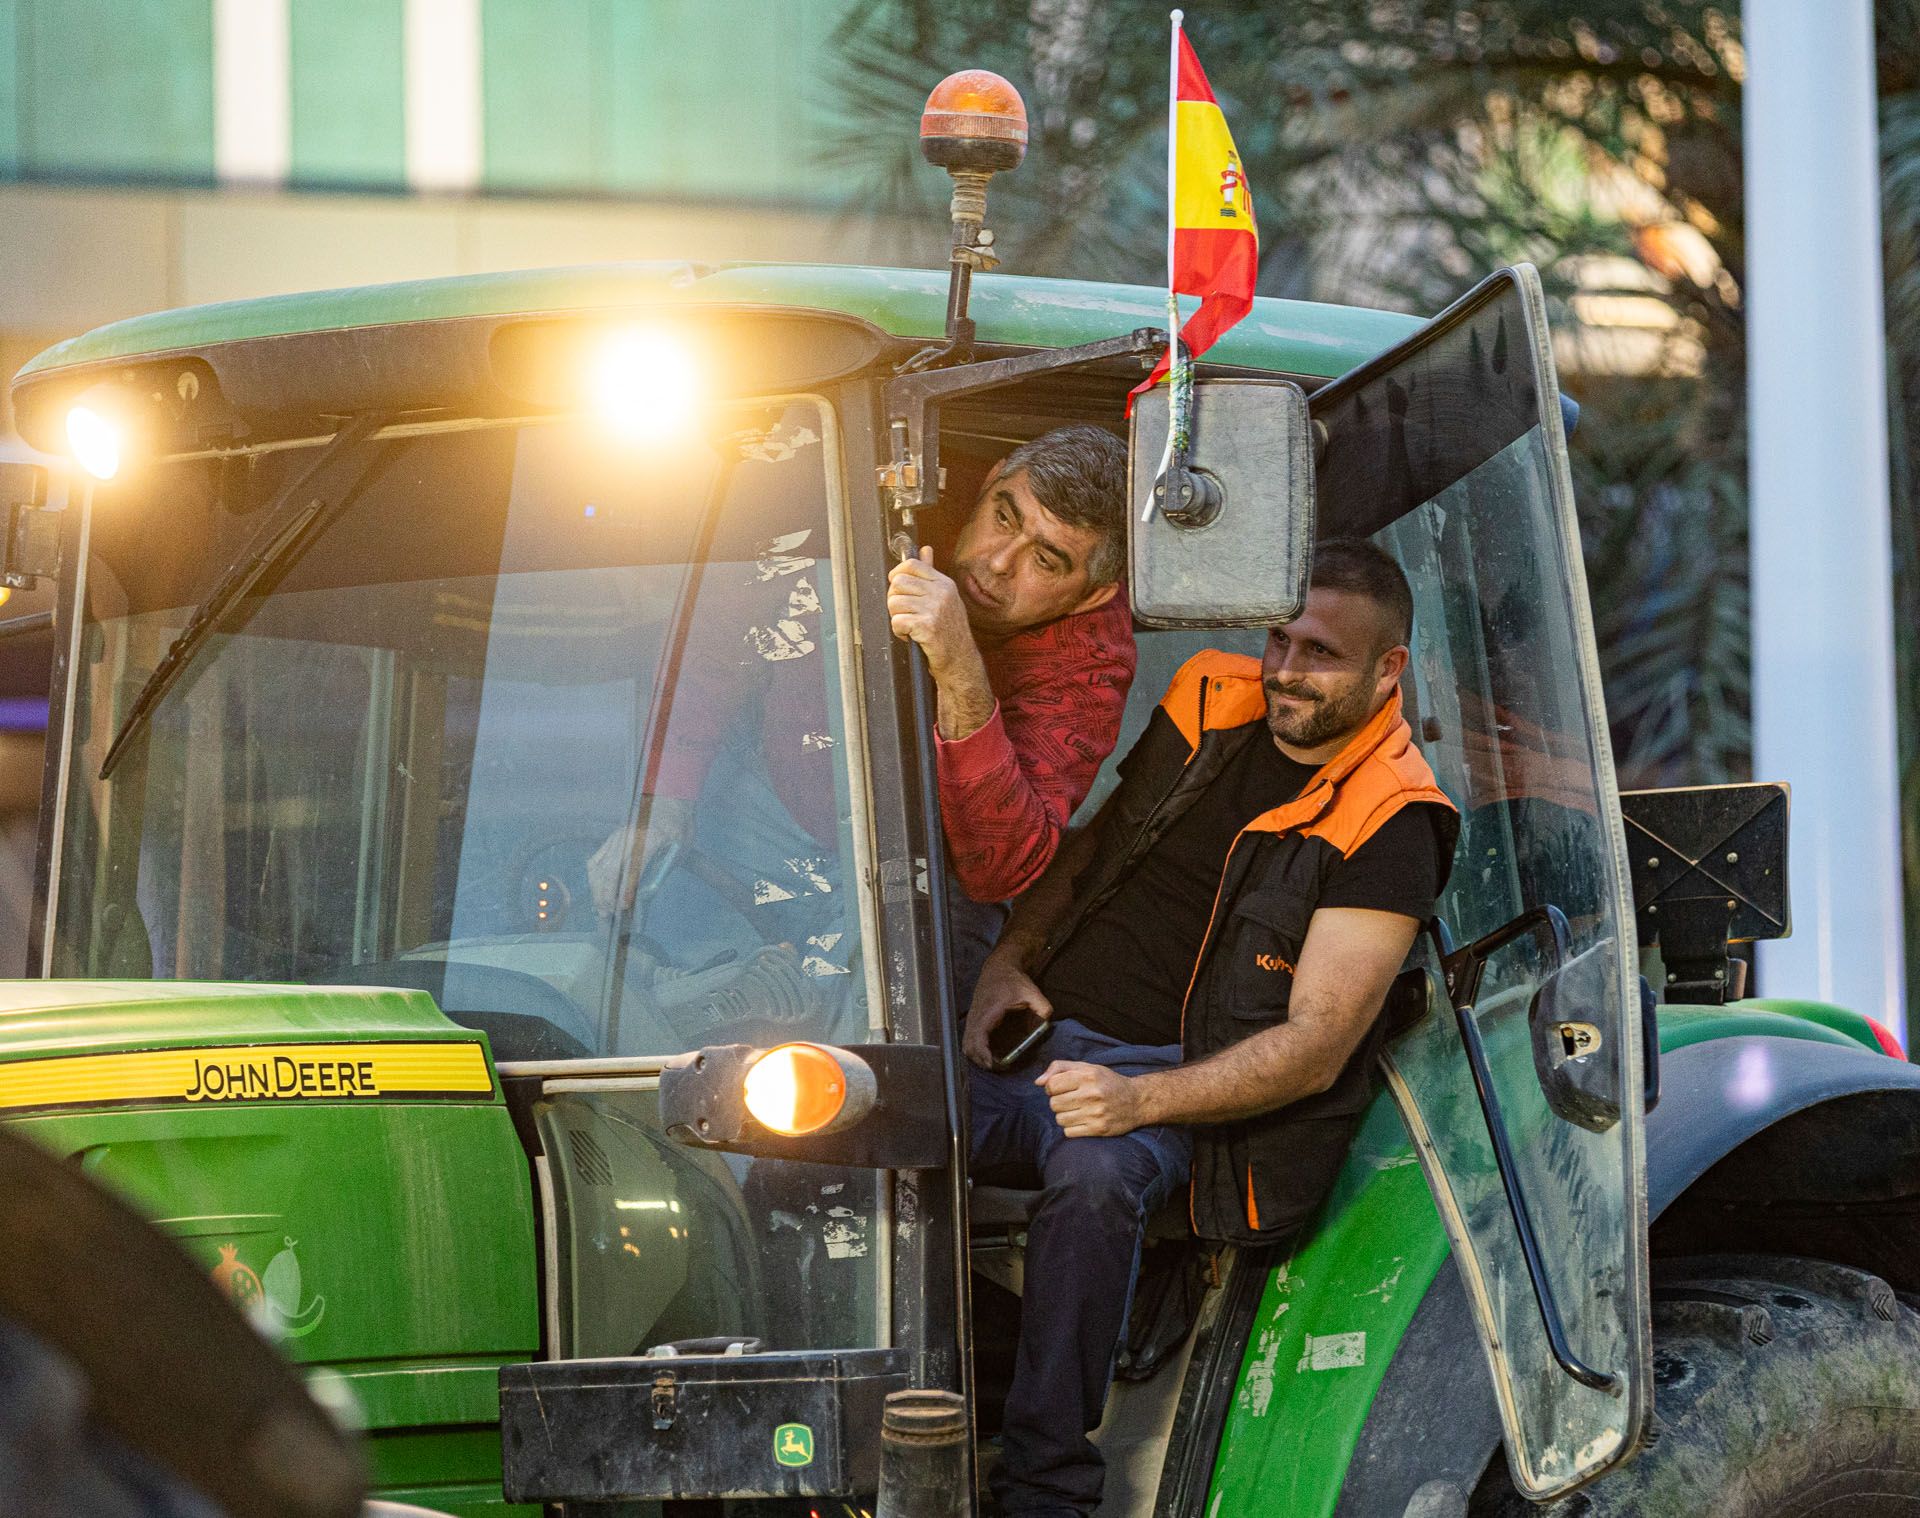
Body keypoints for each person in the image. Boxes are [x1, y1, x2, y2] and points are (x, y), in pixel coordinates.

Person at [964, 539, 1460, 1517]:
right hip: (1043, 1043)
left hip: (1178, 1085)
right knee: (846, 1106)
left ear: (1387, 668)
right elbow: (1098, 841)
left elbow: (1316, 1047)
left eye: (1319, 653)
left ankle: (1042, 1486)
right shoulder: (1206, 695)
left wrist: (1136, 1100)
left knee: (1097, 1179)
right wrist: (1007, 960)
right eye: (1279, 638)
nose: (1284, 670)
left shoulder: (1396, 818)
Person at [884, 424, 1136, 993]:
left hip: (929, 869)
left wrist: (959, 670)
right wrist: (666, 796)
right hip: (773, 794)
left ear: (1093, 593)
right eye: (1004, 517)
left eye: (1045, 561)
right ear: (994, 478)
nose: (998, 564)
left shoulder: (1092, 658)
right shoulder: (906, 482)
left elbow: (996, 871)